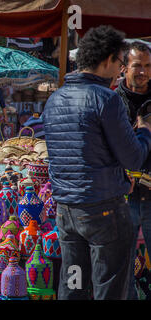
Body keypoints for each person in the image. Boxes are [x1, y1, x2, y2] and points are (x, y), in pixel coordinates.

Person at [42, 25, 151, 300]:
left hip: (66, 210)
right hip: (103, 212)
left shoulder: (54, 100)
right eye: (120, 63)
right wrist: (145, 131)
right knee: (109, 286)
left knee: (74, 282)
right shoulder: (107, 99)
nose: (120, 71)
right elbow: (134, 157)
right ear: (107, 61)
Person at [115, 42, 151, 300]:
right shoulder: (112, 101)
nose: (143, 71)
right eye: (138, 65)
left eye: (148, 66)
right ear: (124, 67)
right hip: (123, 198)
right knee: (122, 265)